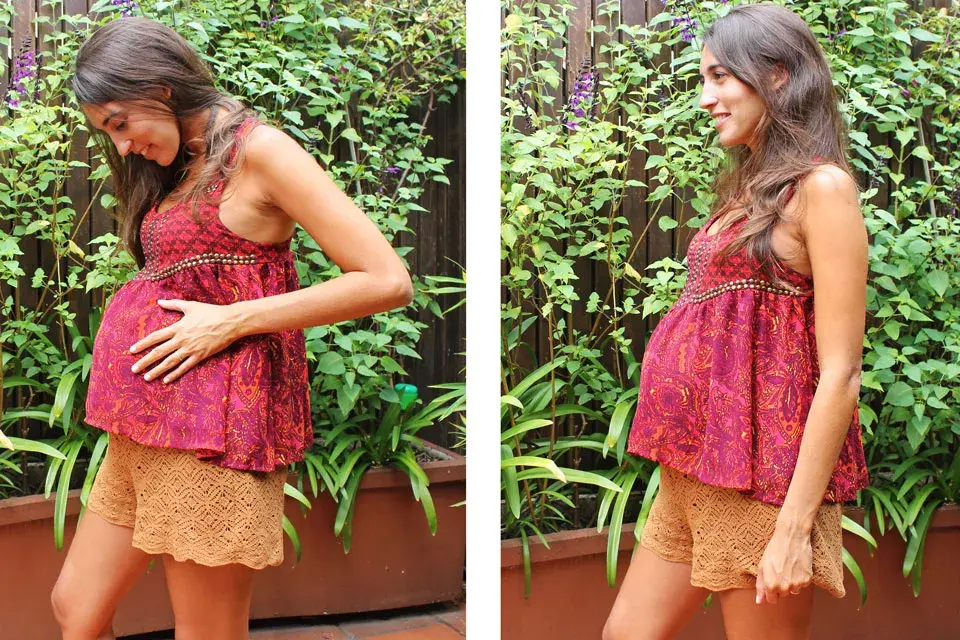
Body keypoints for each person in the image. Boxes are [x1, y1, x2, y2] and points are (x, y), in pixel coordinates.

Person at [51, 16, 413, 640]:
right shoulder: (188, 161)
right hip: (144, 428)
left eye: (119, 123)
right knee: (74, 608)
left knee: (207, 632)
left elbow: (386, 279)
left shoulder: (261, 151)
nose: (121, 146)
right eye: (107, 132)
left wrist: (230, 321)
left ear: (159, 88)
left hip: (214, 434)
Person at [604, 4, 869, 639]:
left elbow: (841, 372)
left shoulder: (821, 189)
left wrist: (793, 529)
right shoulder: (753, 189)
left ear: (778, 75)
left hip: (762, 479)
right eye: (705, 80)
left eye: (721, 77)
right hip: (697, 467)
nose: (706, 98)